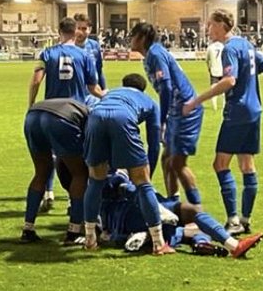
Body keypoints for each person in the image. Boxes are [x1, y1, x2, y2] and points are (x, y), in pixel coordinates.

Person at [182, 9, 263, 234]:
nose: (208, 29)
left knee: (220, 164)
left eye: (211, 25)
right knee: (246, 165)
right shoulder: (246, 45)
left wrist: (198, 99)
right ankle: (245, 219)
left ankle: (233, 220)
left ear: (222, 25)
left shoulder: (229, 49)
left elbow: (230, 80)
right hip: (254, 111)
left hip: (238, 113)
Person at [82, 74, 169, 254]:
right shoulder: (150, 102)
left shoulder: (110, 94)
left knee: (95, 181)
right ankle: (158, 243)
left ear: (123, 84)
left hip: (95, 117)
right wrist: (147, 176)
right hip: (123, 118)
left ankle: (90, 238)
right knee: (143, 185)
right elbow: (154, 144)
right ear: (142, 89)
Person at [95, 169, 263, 258]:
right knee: (189, 224)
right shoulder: (104, 172)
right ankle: (225, 244)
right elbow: (127, 190)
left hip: (155, 204)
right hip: (129, 215)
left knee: (193, 212)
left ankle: (202, 242)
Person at [29, 16, 103, 211]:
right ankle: (75, 206)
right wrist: (108, 96)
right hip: (74, 113)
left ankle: (47, 195)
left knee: (48, 158)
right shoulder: (84, 55)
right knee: (78, 163)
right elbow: (94, 87)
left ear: (58, 31)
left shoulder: (47, 53)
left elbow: (36, 81)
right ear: (75, 31)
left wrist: (31, 104)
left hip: (48, 111)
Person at [129, 20, 204, 204]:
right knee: (166, 160)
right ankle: (174, 202)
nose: (130, 39)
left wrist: (162, 120)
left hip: (185, 110)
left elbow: (166, 87)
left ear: (142, 37)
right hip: (177, 110)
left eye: (133, 35)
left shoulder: (155, 53)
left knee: (177, 163)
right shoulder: (151, 55)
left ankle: (197, 211)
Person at [21, 97, 90, 244]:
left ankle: (28, 229)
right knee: (80, 174)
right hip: (61, 119)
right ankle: (74, 232)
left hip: (32, 116)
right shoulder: (92, 116)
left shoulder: (81, 106)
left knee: (41, 172)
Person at [73, 12, 107, 91]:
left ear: (90, 29)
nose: (80, 32)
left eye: (84, 29)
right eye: (78, 28)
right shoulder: (68, 47)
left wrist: (104, 89)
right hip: (75, 93)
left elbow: (99, 70)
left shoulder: (94, 46)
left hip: (93, 93)